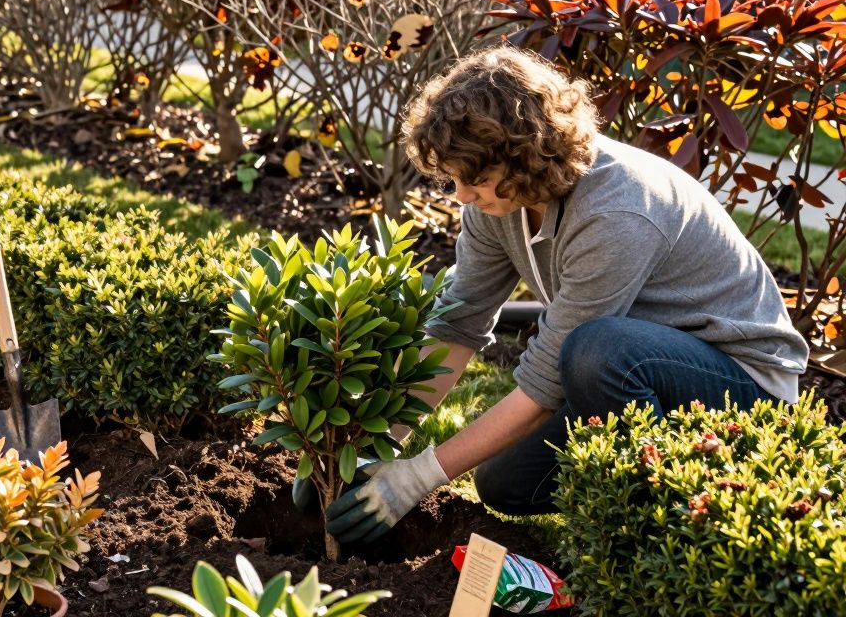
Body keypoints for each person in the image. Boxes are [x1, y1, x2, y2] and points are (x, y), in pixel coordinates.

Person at [323, 46, 810, 544]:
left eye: (477, 180)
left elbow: (544, 383)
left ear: (526, 157)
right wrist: (373, 447)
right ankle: (632, 479)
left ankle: (658, 523)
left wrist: (418, 477)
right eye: (455, 179)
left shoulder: (616, 209)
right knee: (502, 484)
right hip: (638, 362)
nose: (462, 196)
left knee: (597, 350)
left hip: (740, 380)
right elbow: (457, 324)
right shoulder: (497, 205)